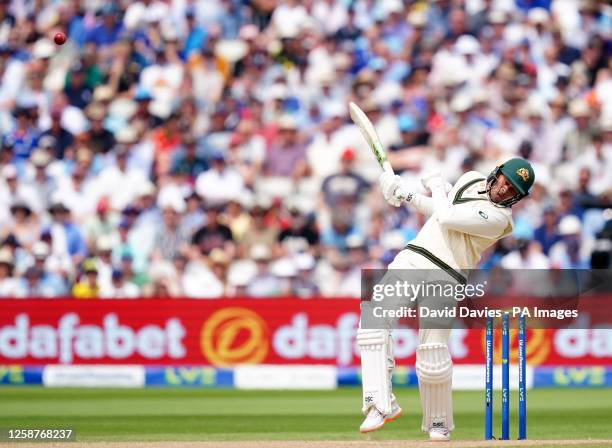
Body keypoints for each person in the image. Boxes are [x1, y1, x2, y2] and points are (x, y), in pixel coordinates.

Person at [359, 157, 535, 441]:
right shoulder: (470, 179)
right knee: (373, 319)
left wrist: (437, 184)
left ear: (518, 197)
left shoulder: (501, 221)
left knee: (432, 351)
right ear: (497, 173)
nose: (504, 190)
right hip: (414, 257)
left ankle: (438, 423)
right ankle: (379, 403)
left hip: (448, 274)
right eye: (505, 181)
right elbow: (439, 210)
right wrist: (407, 195)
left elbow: (448, 217)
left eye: (513, 190)